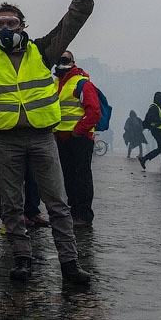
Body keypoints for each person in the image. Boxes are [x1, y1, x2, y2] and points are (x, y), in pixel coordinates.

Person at [0, 0, 98, 284]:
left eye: (11, 22)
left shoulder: (42, 51)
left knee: (57, 203)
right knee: (10, 203)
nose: (5, 28)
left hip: (41, 137)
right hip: (5, 140)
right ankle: (22, 258)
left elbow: (70, 25)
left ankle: (70, 263)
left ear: (22, 25)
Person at [52, 51, 101, 227]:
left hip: (79, 138)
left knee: (82, 177)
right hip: (62, 137)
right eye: (60, 59)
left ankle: (84, 215)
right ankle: (73, 213)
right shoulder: (56, 83)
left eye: (66, 59)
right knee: (67, 177)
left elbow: (94, 112)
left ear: (73, 62)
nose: (62, 62)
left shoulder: (82, 84)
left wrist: (78, 131)